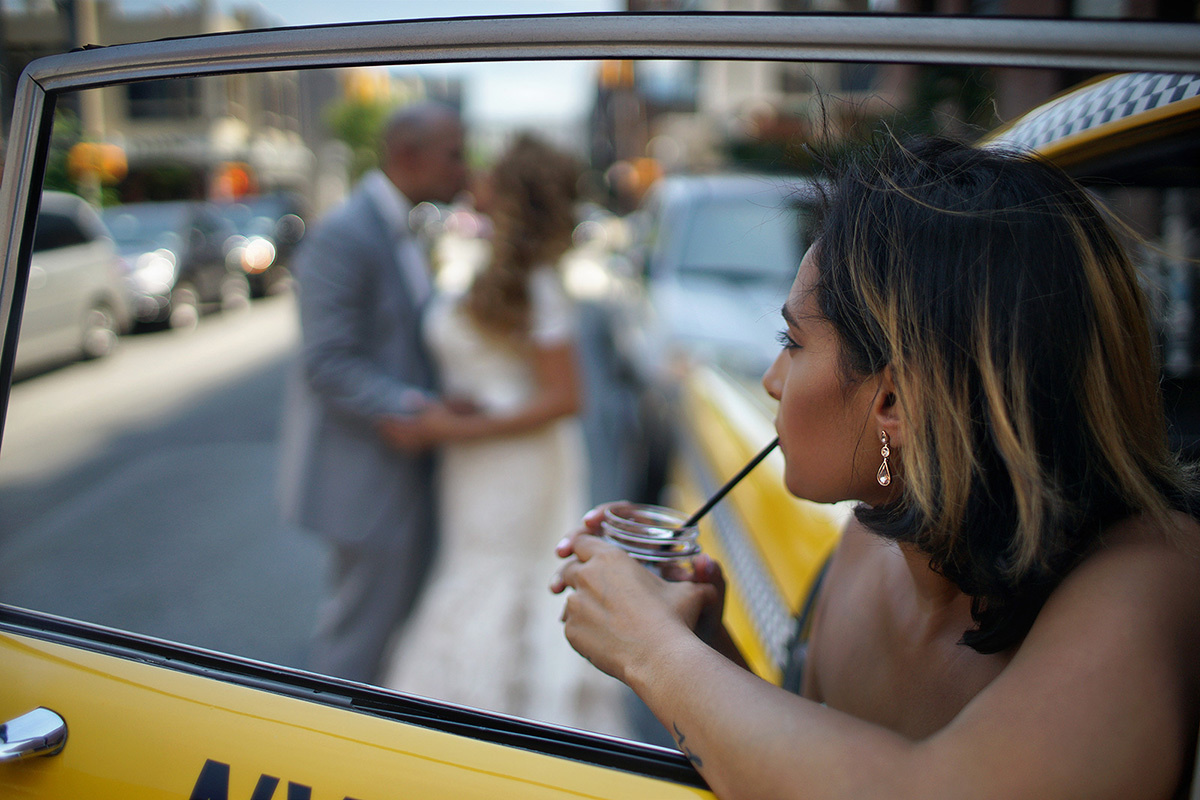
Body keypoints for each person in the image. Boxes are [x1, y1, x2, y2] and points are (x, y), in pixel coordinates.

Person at [552, 136, 1200, 798]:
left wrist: (653, 649)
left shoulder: (1154, 574)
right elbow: (813, 770)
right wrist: (706, 645)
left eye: (792, 343)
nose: (774, 380)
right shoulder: (871, 542)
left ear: (894, 400)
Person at [382, 134, 630, 736]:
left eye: (491, 169)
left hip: (515, 464)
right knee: (475, 572)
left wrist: (455, 426)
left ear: (513, 189)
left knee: (497, 579)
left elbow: (567, 397)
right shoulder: (495, 262)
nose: (477, 175)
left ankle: (496, 729)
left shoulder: (540, 281)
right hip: (480, 461)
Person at [277, 102, 468, 684]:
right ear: (408, 155)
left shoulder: (405, 224)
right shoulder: (344, 234)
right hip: (367, 475)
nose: (463, 168)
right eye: (454, 154)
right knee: (357, 640)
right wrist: (415, 408)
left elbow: (400, 341)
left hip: (401, 471)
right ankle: (328, 754)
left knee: (392, 633)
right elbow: (328, 362)